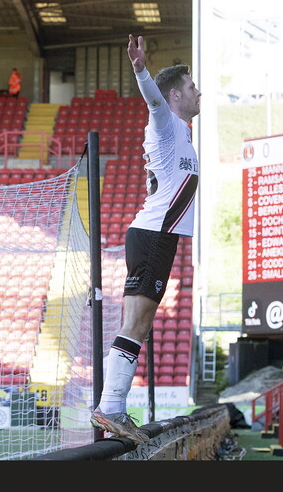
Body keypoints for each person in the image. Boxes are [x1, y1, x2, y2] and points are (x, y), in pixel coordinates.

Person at [90, 35, 201, 445]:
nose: (198, 91)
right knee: (136, 324)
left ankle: (113, 406)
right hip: (154, 235)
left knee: (138, 324)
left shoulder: (183, 133)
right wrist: (141, 70)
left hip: (156, 236)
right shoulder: (167, 122)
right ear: (175, 94)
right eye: (192, 87)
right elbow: (154, 103)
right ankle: (111, 407)